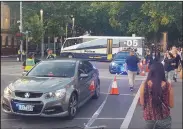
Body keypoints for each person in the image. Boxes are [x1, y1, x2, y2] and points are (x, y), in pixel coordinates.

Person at [139, 62, 174, 129]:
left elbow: (142, 103)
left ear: (151, 72)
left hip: (149, 118)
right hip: (164, 118)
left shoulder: (144, 85)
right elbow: (171, 105)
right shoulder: (168, 86)